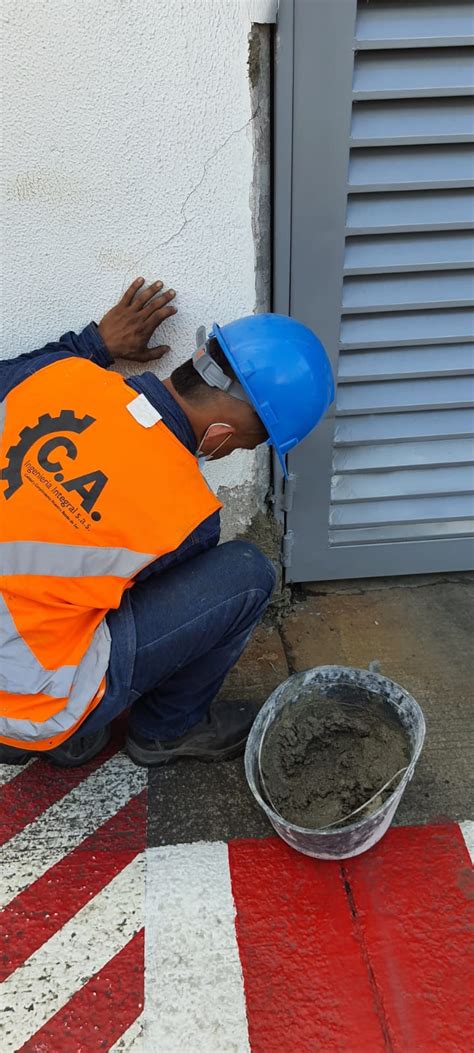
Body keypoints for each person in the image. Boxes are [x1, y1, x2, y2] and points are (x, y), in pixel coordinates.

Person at [0, 277, 334, 768]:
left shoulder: (59, 374)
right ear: (222, 433)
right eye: (246, 444)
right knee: (247, 573)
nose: (233, 451)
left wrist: (93, 344)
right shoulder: (188, 516)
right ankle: (165, 731)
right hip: (27, 702)